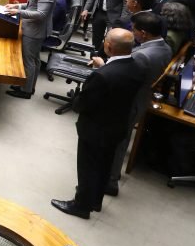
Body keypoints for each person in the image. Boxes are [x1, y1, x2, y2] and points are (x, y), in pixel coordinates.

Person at [51, 29, 143, 219]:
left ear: (108, 46)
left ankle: (81, 206)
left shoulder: (102, 76)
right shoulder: (136, 67)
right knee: (103, 167)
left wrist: (78, 98)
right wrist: (104, 66)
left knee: (87, 168)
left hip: (95, 129)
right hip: (117, 126)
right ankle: (95, 201)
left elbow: (82, 104)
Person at [105, 13, 173, 195]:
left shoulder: (142, 55)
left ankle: (110, 181)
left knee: (118, 141)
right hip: (143, 98)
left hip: (129, 101)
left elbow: (122, 78)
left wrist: (104, 66)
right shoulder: (165, 47)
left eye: (133, 30)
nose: (131, 33)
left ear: (143, 33)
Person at [4, 0, 57, 99]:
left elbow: (41, 14)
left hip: (34, 31)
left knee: (28, 61)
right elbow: (32, 5)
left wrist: (18, 12)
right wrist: (17, 6)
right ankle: (29, 86)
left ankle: (25, 91)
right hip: (33, 28)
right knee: (34, 60)